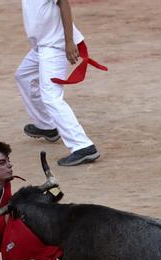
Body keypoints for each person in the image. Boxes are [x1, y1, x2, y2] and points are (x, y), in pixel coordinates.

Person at [16, 0, 101, 166]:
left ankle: (83, 146)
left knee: (51, 97)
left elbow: (64, 3)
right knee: (23, 76)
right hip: (42, 46)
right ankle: (47, 126)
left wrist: (69, 41)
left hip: (55, 46)